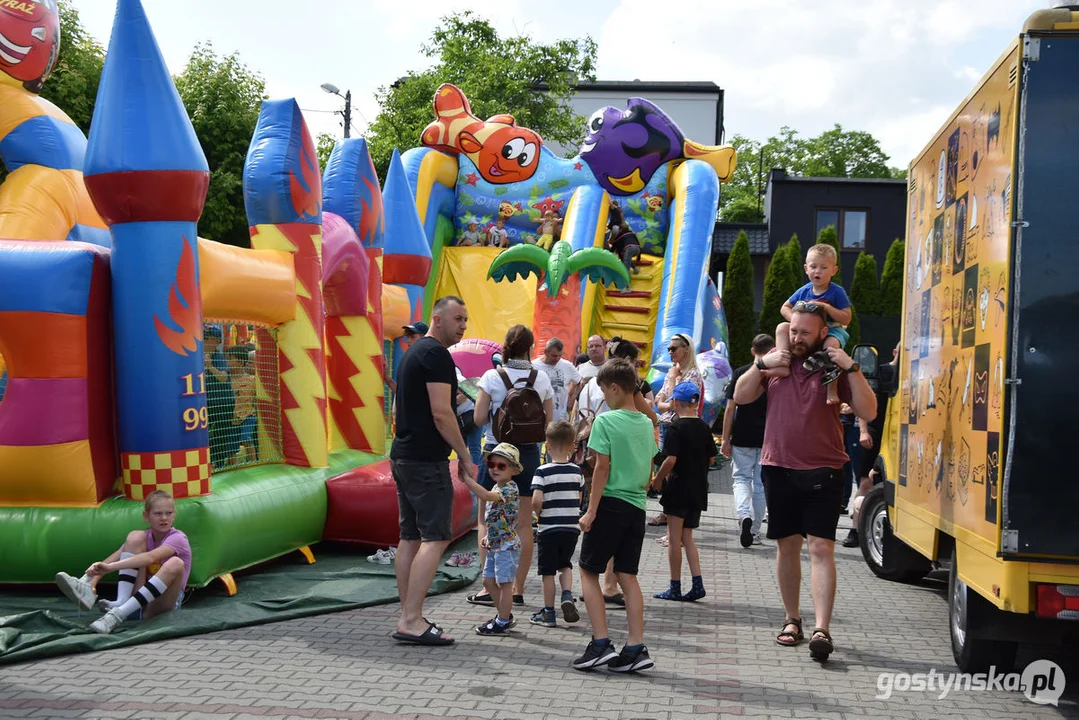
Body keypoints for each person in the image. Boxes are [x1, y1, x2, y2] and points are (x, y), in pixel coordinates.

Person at [733, 301, 876, 662]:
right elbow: (740, 395)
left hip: (824, 470)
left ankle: (822, 629)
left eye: (805, 333)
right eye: (794, 330)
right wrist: (760, 363)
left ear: (822, 334)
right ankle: (792, 619)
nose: (797, 338)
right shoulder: (777, 364)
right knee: (787, 547)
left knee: (821, 548)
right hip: (778, 467)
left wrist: (852, 367)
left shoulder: (832, 369)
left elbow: (869, 410)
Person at [390, 296, 498, 646]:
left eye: (466, 319)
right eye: (457, 319)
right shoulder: (436, 355)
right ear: (437, 319)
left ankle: (409, 612)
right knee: (435, 537)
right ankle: (411, 618)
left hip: (405, 454)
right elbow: (441, 412)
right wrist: (465, 455)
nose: (463, 326)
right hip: (424, 459)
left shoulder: (414, 353)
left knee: (411, 537)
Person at [574, 359, 657, 672]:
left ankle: (600, 642)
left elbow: (601, 468)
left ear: (615, 387)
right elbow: (648, 469)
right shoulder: (646, 423)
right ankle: (635, 645)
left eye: (603, 391)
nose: (603, 397)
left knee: (587, 571)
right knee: (627, 576)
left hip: (609, 503)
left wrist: (591, 510)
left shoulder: (605, 422)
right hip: (636, 507)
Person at [468, 324, 554, 608]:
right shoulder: (540, 378)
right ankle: (517, 589)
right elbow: (548, 422)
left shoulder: (493, 376)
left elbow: (480, 418)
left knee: (486, 518)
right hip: (528, 454)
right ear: (530, 348)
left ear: (506, 346)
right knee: (524, 524)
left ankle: (488, 587)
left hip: (496, 453)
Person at [54, 490, 192, 634]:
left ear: (174, 515)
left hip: (163, 601)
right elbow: (118, 555)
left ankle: (117, 615)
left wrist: (110, 568)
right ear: (146, 516)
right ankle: (117, 600)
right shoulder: (144, 537)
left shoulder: (178, 538)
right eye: (158, 513)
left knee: (176, 563)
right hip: (139, 599)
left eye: (169, 513)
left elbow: (150, 557)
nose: (164, 518)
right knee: (134, 537)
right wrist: (92, 581)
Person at [650, 382, 715, 601]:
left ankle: (675, 586)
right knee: (688, 537)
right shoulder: (704, 427)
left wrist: (658, 479)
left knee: (674, 537)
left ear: (676, 402)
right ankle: (697, 583)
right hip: (698, 488)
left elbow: (670, 460)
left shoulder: (676, 428)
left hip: (678, 487)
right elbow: (712, 458)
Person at [771, 244, 853, 406]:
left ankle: (831, 387)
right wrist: (796, 321)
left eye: (824, 267)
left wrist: (827, 307)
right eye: (813, 266)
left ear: (833, 271)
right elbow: (784, 308)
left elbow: (846, 319)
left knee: (831, 346)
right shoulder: (804, 290)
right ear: (806, 268)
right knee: (781, 327)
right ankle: (783, 361)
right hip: (808, 330)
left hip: (832, 329)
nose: (817, 271)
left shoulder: (836, 292)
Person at [842, 343, 899, 548]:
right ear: (895, 351)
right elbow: (864, 403)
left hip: (898, 435)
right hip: (875, 432)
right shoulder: (881, 372)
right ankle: (855, 530)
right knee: (866, 483)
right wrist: (864, 431)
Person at [721, 334, 775, 548]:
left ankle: (744, 516)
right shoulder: (775, 375)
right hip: (767, 437)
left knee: (741, 479)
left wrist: (725, 438)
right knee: (761, 484)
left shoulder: (741, 373)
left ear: (753, 351)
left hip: (742, 435)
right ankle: (754, 532)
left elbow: (730, 408)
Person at [529, 420, 584, 628]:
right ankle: (567, 594)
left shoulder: (542, 471)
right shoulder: (576, 472)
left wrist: (538, 513)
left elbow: (536, 500)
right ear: (572, 446)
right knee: (565, 565)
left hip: (548, 528)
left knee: (547, 572)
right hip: (571, 528)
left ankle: (548, 613)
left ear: (547, 445)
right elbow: (579, 499)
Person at [651, 333, 703, 526]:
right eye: (669, 349)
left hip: (682, 427)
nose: (670, 352)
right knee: (665, 468)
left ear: (686, 349)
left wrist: (672, 381)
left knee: (675, 469)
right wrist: (667, 402)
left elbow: (674, 403)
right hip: (667, 426)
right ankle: (668, 511)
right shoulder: (673, 370)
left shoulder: (692, 374)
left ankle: (675, 514)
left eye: (674, 348)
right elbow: (659, 401)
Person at [476, 443, 524, 636]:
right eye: (492, 464)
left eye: (501, 466)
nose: (495, 469)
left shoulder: (509, 489)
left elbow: (487, 496)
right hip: (496, 544)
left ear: (512, 470)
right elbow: (498, 517)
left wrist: (468, 481)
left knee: (505, 584)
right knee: (488, 581)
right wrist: (489, 535)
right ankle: (504, 615)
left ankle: (502, 621)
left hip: (507, 546)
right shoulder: (498, 485)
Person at [203, 325, 236, 468]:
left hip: (223, 402)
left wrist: (210, 366)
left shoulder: (218, 356)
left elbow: (224, 378)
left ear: (216, 341)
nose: (203, 340)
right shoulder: (195, 354)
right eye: (203, 337)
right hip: (206, 402)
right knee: (205, 435)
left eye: (206, 338)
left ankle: (219, 463)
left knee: (221, 434)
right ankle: (207, 463)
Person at [532, 337, 581, 423]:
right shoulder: (534, 366)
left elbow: (580, 382)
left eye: (560, 355)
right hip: (537, 418)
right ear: (546, 352)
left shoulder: (567, 366)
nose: (557, 359)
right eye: (554, 356)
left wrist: (572, 398)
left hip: (560, 419)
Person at [227, 345, 257, 464]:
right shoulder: (226, 379)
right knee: (231, 445)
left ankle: (253, 463)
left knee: (247, 438)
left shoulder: (251, 380)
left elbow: (256, 397)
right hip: (233, 417)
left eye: (230, 359)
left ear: (240, 362)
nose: (227, 362)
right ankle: (232, 467)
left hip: (248, 415)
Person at [606, 199, 641, 275]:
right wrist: (639, 257)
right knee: (624, 255)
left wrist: (610, 252)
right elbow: (638, 243)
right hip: (637, 249)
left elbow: (615, 243)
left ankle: (626, 276)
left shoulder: (614, 209)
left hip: (618, 233)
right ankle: (635, 269)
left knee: (625, 259)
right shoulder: (631, 233)